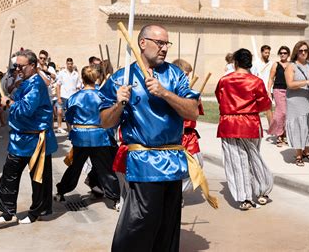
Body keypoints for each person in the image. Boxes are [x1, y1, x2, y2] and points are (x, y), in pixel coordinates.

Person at [100, 24, 200, 251]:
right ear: (142, 43)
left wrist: (164, 93)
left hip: (173, 160)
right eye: (160, 43)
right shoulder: (121, 78)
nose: (165, 48)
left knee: (168, 224)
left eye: (167, 43)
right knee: (139, 222)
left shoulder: (174, 75)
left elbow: (192, 111)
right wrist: (120, 103)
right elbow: (105, 121)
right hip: (144, 162)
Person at [0, 50, 58, 226]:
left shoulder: (37, 84)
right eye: (16, 66)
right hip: (19, 137)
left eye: (21, 66)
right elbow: (15, 101)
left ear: (33, 65)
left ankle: (37, 211)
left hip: (36, 139)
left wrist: (10, 103)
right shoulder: (23, 83)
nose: (18, 69)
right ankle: (7, 212)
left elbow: (26, 109)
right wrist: (10, 96)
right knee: (9, 174)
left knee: (38, 178)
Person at [215, 48, 273, 210]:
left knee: (236, 162)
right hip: (250, 123)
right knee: (253, 157)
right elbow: (264, 104)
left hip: (229, 123)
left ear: (235, 62)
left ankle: (244, 198)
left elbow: (220, 98)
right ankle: (262, 190)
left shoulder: (224, 81)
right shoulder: (256, 81)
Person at [54, 66, 120, 208]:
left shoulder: (74, 97)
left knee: (75, 167)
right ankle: (115, 199)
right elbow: (110, 117)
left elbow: (69, 117)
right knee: (106, 169)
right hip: (99, 137)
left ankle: (61, 192)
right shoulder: (103, 96)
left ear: (82, 79)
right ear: (95, 78)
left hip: (81, 138)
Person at [285, 41, 309, 166]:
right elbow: (290, 84)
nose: (303, 52)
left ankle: (307, 152)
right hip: (295, 101)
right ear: (296, 52)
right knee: (299, 126)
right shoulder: (291, 66)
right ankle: (298, 154)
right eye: (300, 50)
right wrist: (308, 82)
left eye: (305, 50)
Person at [171, 58, 204, 197]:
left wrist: (195, 101)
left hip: (190, 136)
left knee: (197, 165)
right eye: (185, 75)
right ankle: (175, 194)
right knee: (178, 168)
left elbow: (195, 114)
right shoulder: (169, 92)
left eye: (188, 76)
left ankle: (179, 193)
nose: (187, 79)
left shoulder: (190, 93)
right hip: (176, 137)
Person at [267, 46, 291, 145]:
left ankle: (283, 134)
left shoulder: (291, 65)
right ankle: (278, 134)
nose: (283, 54)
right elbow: (271, 78)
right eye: (281, 53)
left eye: (285, 53)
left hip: (290, 91)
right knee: (281, 113)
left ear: (288, 54)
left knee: (287, 114)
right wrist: (269, 91)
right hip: (278, 90)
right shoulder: (275, 65)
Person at [56, 58, 81, 134]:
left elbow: (78, 86)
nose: (70, 65)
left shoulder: (76, 74)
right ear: (66, 64)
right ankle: (60, 127)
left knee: (71, 114)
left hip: (72, 97)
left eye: (71, 64)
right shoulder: (62, 73)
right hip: (63, 96)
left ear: (72, 64)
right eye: (68, 64)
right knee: (60, 112)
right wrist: (58, 97)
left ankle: (70, 130)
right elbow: (58, 85)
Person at [252, 45, 273, 126]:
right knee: (256, 109)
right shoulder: (255, 63)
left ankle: (271, 128)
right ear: (261, 52)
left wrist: (270, 89)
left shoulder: (271, 64)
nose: (267, 54)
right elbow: (253, 76)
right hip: (258, 89)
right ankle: (256, 126)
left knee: (268, 109)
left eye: (268, 53)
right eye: (265, 53)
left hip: (268, 89)